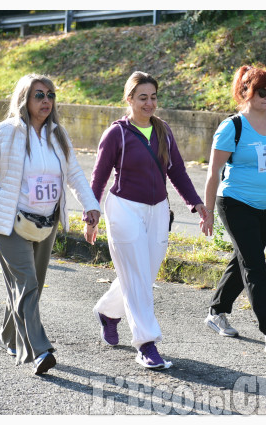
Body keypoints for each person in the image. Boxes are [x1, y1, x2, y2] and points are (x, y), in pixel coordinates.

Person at [0, 74, 101, 375]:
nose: (46, 101)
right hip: (8, 222)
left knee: (30, 288)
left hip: (46, 223)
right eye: (39, 95)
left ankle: (7, 335)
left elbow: (75, 174)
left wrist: (91, 205)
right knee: (26, 284)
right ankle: (40, 351)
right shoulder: (3, 132)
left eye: (50, 95)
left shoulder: (59, 135)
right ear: (24, 98)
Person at [86, 71, 208, 369]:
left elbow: (176, 170)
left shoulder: (163, 130)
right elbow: (99, 177)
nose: (149, 103)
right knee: (138, 276)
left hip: (157, 210)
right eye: (142, 98)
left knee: (144, 274)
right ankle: (146, 343)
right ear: (129, 99)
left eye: (153, 97)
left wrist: (196, 203)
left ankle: (108, 310)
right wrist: (91, 215)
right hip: (124, 208)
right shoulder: (117, 133)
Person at [200, 65, 266, 353]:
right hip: (235, 203)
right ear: (246, 92)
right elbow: (213, 171)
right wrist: (207, 211)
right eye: (262, 91)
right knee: (254, 264)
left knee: (243, 259)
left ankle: (216, 311)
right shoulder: (233, 127)